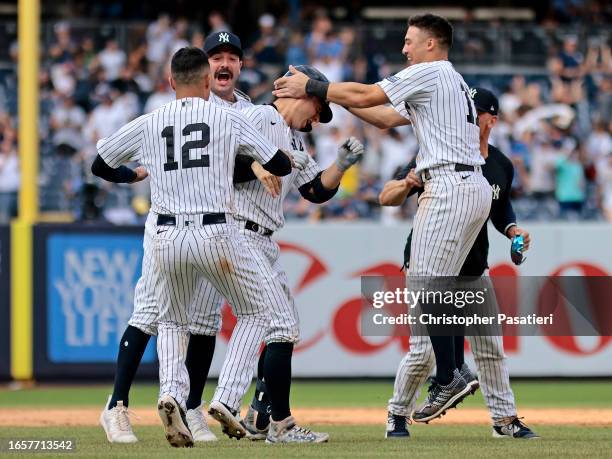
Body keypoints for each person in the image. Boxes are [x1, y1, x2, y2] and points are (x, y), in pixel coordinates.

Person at [274, 13, 492, 421]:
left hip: (448, 184)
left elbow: (368, 96)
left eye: (410, 41)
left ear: (431, 43)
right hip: (470, 186)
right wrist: (332, 97)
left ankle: (450, 375)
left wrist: (312, 87)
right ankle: (454, 368)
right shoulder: (450, 81)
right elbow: (385, 116)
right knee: (439, 285)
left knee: (424, 283)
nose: (403, 48)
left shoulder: (431, 72)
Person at [93, 46, 293, 448]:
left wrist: (133, 174)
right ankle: (225, 398)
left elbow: (99, 164)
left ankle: (171, 393)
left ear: (170, 82)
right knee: (257, 312)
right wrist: (248, 160)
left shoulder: (151, 119)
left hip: (165, 235)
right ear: (206, 81)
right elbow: (281, 164)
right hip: (213, 233)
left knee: (171, 319)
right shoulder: (225, 116)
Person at [197, 65, 363, 444]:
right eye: (318, 108)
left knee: (280, 327)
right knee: (281, 326)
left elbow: (315, 192)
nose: (316, 119)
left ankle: (258, 417)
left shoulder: (294, 140)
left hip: (263, 237)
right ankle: (279, 424)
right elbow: (215, 162)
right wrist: (257, 163)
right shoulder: (256, 116)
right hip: (239, 230)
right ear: (299, 93)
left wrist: (341, 165)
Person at [380, 87, 538, 439]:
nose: (467, 117)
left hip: (473, 269)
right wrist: (408, 182)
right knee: (423, 354)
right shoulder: (436, 154)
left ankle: (504, 420)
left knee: (490, 350)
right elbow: (385, 197)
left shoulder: (500, 165)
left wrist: (512, 228)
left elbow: (501, 209)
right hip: (432, 267)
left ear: (490, 120)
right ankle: (397, 414)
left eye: (475, 112)